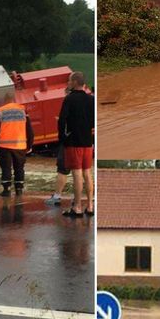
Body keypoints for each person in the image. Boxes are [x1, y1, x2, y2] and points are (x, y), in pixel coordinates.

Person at [59, 71, 94, 218]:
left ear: (74, 82)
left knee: (77, 173)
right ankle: (90, 206)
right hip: (87, 142)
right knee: (87, 172)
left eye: (69, 81)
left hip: (74, 141)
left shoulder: (69, 99)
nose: (67, 83)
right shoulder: (90, 99)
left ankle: (78, 207)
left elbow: (61, 121)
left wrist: (62, 138)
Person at [0, 93, 34, 197]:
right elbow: (29, 130)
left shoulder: (0, 111)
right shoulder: (22, 110)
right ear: (14, 99)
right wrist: (30, 145)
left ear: (5, 100)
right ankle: (19, 189)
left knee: (6, 168)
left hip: (4, 146)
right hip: (20, 145)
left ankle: (6, 189)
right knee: (19, 168)